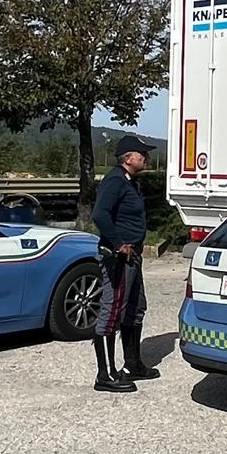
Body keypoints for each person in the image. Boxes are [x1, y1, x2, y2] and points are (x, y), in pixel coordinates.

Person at [90, 135, 156, 393]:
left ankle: (133, 363)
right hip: (119, 256)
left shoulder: (130, 182)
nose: (146, 157)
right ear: (128, 158)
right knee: (112, 310)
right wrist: (118, 243)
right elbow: (100, 214)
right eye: (141, 154)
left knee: (136, 307)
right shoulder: (115, 181)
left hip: (133, 255)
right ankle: (105, 374)